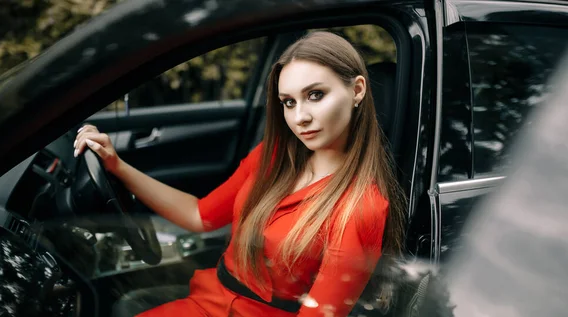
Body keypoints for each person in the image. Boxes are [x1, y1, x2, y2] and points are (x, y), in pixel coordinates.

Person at [73, 31, 405, 317]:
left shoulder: (360, 208)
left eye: (315, 95)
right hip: (207, 301)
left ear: (357, 90)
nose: (300, 117)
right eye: (288, 102)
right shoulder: (273, 156)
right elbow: (199, 214)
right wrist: (117, 165)